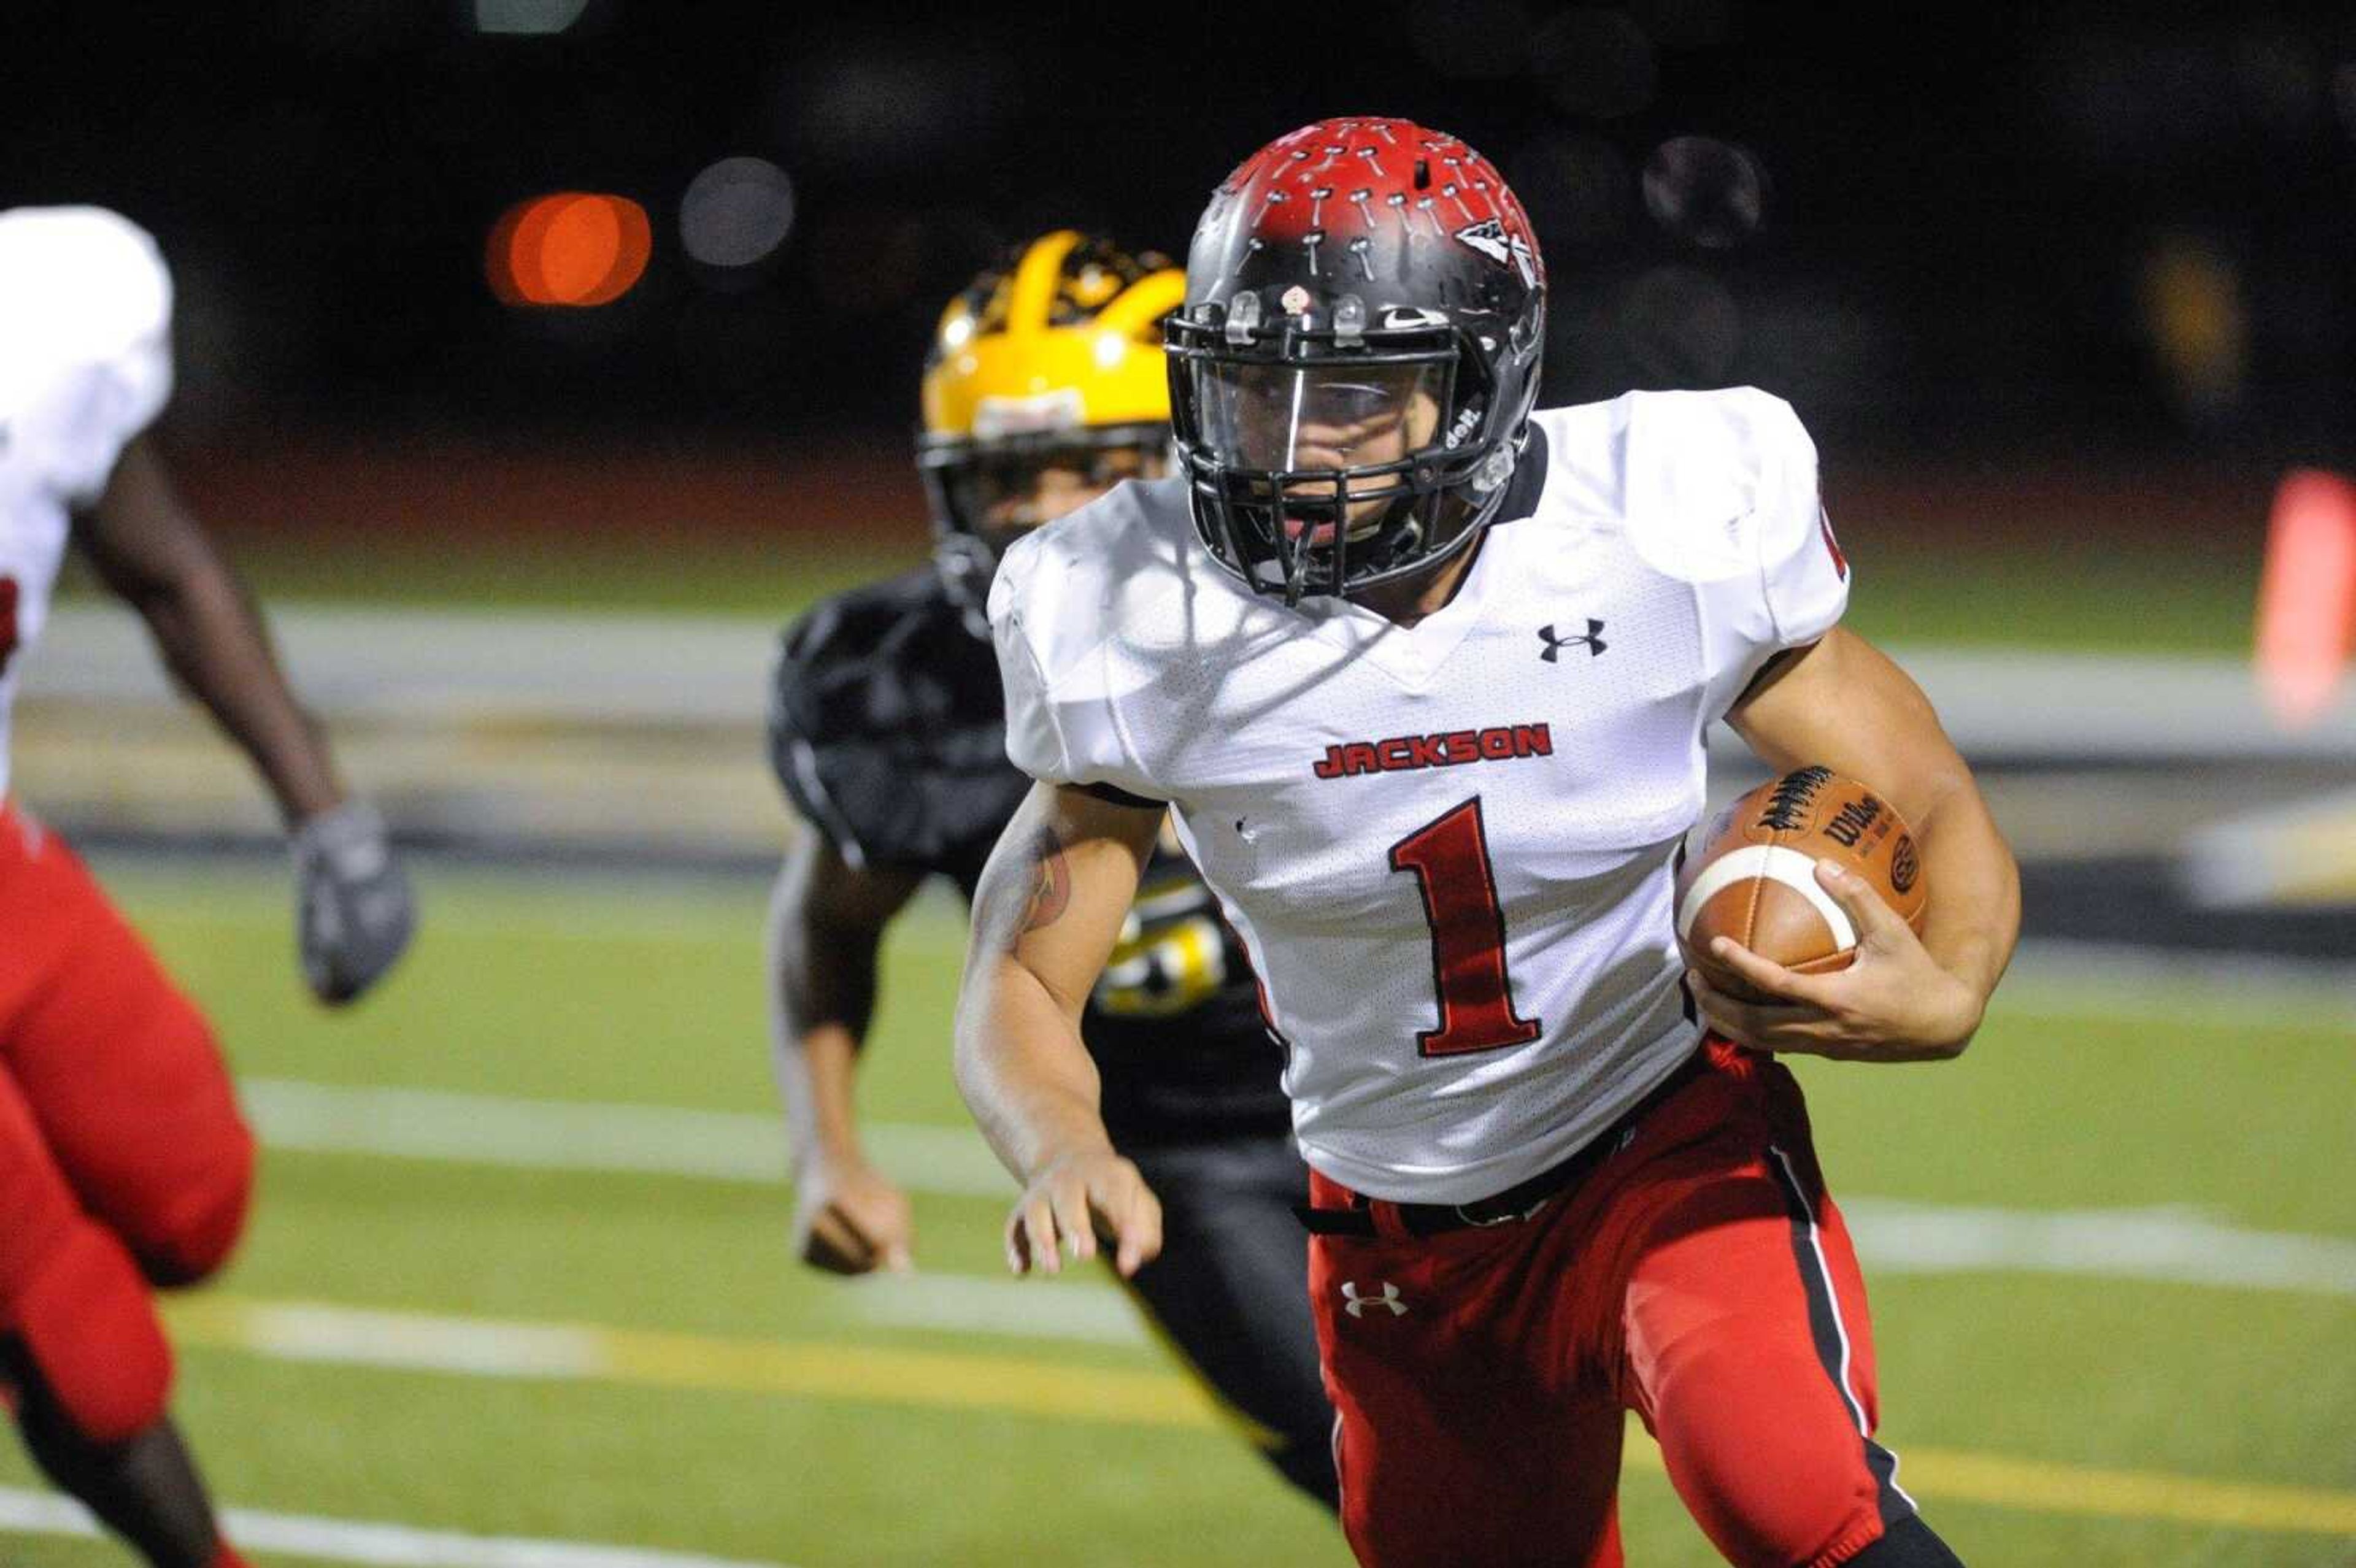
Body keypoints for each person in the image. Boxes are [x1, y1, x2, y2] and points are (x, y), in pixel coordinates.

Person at [954, 119, 2019, 1568]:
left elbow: (1928, 790)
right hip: (1391, 1228)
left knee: (1794, 1500)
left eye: (1358, 393)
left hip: (1662, 1140)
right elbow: (1020, 976)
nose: (1291, 444)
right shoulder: (1134, 608)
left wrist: (1949, 986)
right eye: (1258, 388)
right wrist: (1060, 1140)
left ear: (1485, 382)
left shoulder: (1652, 527)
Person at [764, 230, 1338, 1509]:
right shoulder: (898, 686)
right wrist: (830, 1151)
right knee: (1368, 1471)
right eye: (1005, 475)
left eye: (1092, 466)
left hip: (1403, 1100)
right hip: (1175, 1151)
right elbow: (829, 923)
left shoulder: (1335, 617)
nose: (1038, 510)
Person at [0, 206, 417, 1568]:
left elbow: (168, 568)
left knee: (189, 1196)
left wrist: (327, 818)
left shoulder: (47, 319)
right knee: (57, 1300)